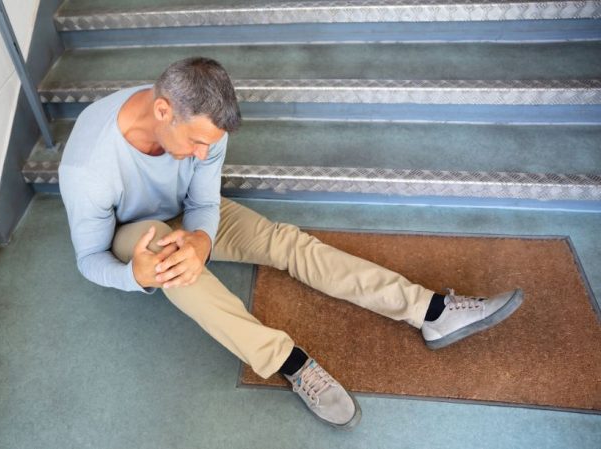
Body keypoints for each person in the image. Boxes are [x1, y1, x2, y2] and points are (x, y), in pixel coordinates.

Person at [59, 57, 524, 429]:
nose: (205, 153)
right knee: (170, 264)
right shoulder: (89, 169)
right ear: (163, 111)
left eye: (211, 145)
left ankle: (431, 311)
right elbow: (88, 259)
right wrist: (133, 276)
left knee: (285, 243)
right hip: (134, 237)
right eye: (198, 143)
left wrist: (202, 237)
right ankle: (290, 361)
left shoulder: (206, 130)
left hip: (183, 215)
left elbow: (203, 200)